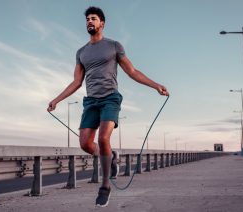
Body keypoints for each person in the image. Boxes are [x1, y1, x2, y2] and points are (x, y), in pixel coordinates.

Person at [47, 6, 169, 207]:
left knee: (103, 138)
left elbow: (132, 71)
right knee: (85, 144)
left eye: (93, 18)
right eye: (87, 19)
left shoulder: (113, 46)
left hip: (110, 98)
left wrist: (156, 85)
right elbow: (76, 82)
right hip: (91, 101)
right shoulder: (81, 52)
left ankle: (105, 186)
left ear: (102, 23)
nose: (89, 21)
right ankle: (112, 156)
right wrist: (56, 100)